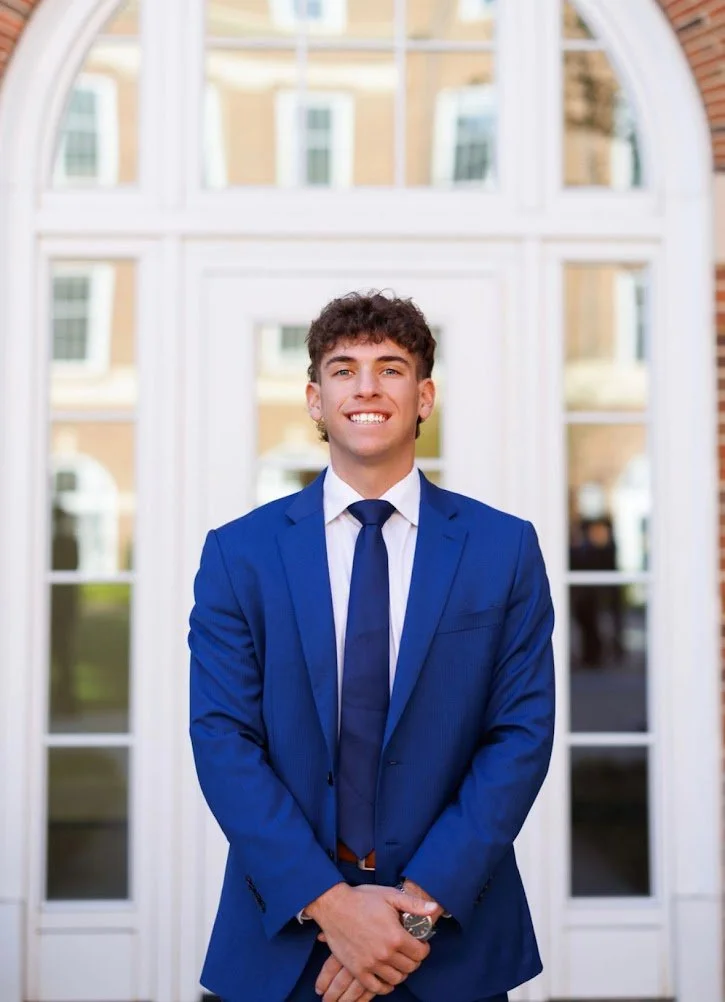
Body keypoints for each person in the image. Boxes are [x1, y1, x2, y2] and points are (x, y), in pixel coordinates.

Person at [189, 291, 555, 1002]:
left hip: (451, 940)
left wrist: (408, 919)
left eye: (390, 369)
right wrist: (330, 905)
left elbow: (520, 736)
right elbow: (222, 738)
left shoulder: (502, 548)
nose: (365, 387)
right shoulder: (240, 553)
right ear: (313, 399)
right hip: (285, 944)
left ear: (423, 397)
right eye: (342, 369)